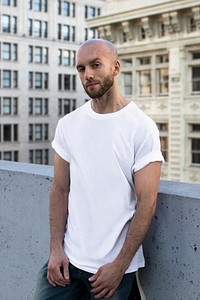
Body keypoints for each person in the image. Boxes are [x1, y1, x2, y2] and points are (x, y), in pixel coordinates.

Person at [33, 39, 164, 300]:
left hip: (111, 270)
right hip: (67, 262)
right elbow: (60, 189)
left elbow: (146, 202)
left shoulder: (141, 127)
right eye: (81, 68)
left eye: (95, 65)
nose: (88, 74)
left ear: (115, 68)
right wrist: (55, 249)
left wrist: (120, 265)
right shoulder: (69, 124)